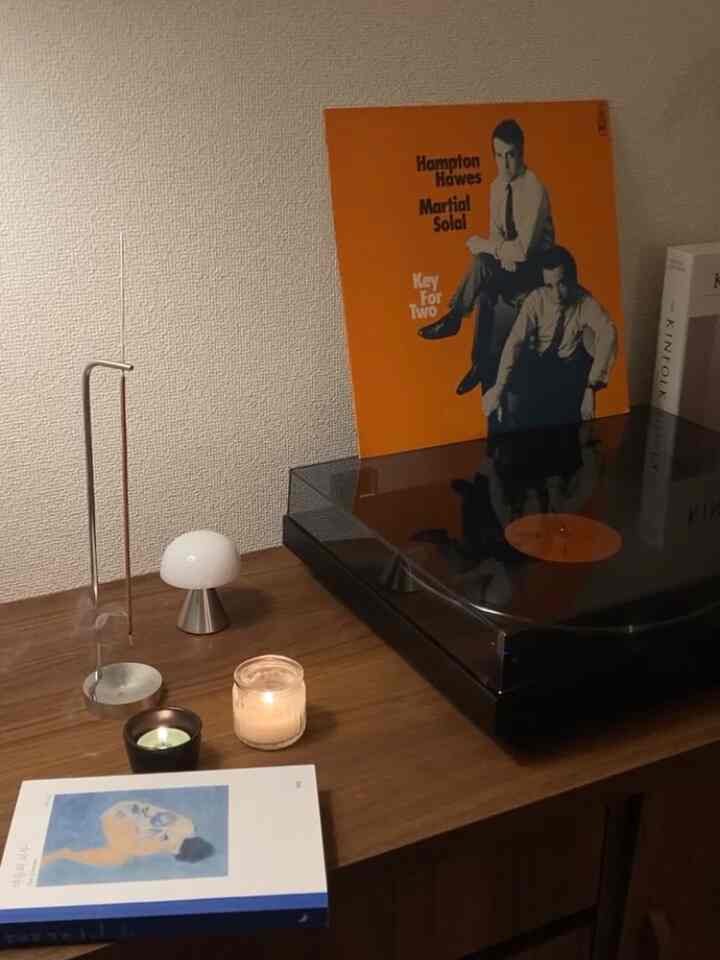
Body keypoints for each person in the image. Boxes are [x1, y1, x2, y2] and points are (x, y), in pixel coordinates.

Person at [418, 118, 555, 395]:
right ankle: (479, 365)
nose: (505, 164)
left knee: (482, 262)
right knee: (485, 290)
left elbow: (523, 250)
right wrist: (495, 251)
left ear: (522, 152)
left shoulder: (534, 189)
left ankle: (455, 319)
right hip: (509, 262)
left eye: (511, 155)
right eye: (499, 156)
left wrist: (488, 247)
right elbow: (497, 238)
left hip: (538, 268)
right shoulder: (496, 187)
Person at [482, 246, 617, 429]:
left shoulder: (584, 301)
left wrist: (591, 387)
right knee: (514, 410)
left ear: (572, 280)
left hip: (568, 368)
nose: (556, 294)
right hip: (537, 364)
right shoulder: (536, 299)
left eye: (561, 284)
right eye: (549, 286)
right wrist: (498, 388)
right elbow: (515, 341)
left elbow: (608, 331)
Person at [41, 799, 214, 869]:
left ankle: (65, 854)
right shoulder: (169, 843)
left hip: (126, 812)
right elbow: (141, 847)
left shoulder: (188, 826)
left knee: (121, 854)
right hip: (121, 816)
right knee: (119, 857)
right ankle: (64, 854)